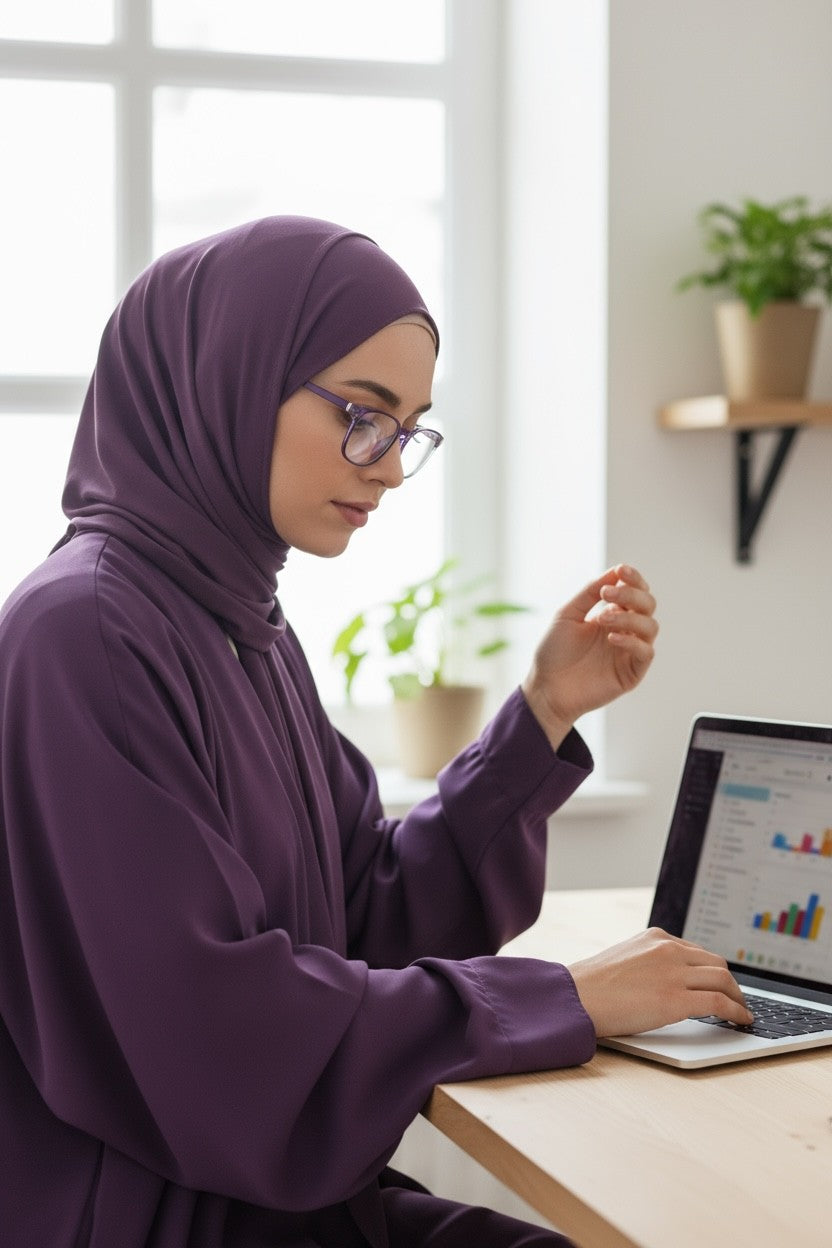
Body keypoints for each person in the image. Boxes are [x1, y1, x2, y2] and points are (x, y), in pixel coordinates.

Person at [0, 217, 751, 1248]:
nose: (389, 468)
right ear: (223, 379)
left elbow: (367, 916)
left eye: (407, 430)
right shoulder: (83, 634)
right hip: (157, 1212)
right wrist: (562, 998)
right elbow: (212, 1030)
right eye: (363, 415)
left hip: (265, 1203)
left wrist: (543, 713)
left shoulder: (241, 625)